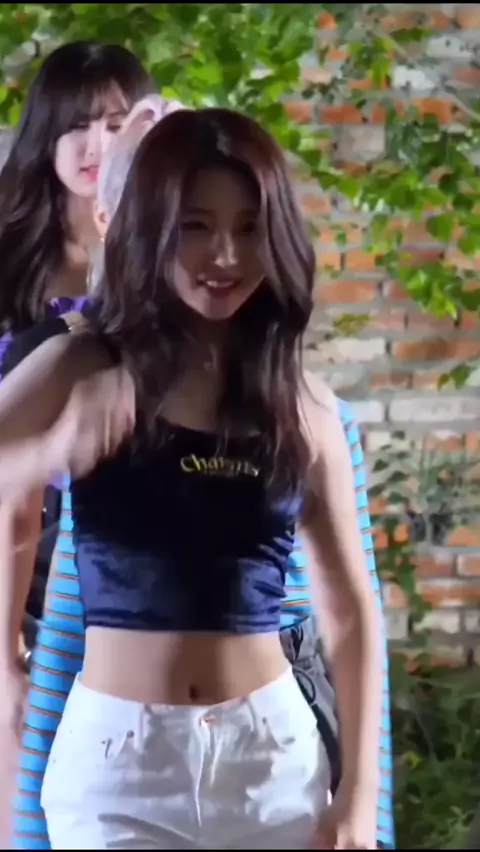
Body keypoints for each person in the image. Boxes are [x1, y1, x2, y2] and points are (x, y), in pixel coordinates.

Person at [0, 107, 383, 849]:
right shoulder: (82, 361)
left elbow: (349, 612)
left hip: (274, 764)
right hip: (117, 773)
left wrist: (359, 793)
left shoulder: (302, 405)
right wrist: (52, 450)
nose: (226, 254)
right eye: (196, 226)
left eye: (249, 228)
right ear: (149, 228)